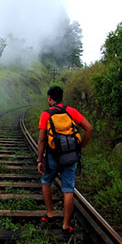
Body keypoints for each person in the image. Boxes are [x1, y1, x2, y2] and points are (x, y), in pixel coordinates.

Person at [37, 85, 92, 234]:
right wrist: (81, 147)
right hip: (70, 156)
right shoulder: (71, 111)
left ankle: (50, 215)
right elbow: (89, 128)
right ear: (61, 98)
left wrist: (40, 160)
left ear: (49, 98)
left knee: (46, 181)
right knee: (68, 190)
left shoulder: (46, 114)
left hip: (52, 157)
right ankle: (66, 225)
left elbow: (42, 140)